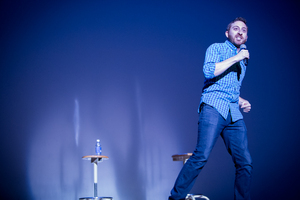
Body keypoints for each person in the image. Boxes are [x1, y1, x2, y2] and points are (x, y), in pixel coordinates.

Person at [168, 17, 252, 200]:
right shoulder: (217, 48)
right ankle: (175, 198)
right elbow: (209, 72)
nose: (240, 32)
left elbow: (229, 88)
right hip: (214, 106)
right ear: (227, 33)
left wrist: (241, 101)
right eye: (235, 28)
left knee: (245, 162)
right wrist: (237, 57)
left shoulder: (244, 60)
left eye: (243, 30)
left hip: (233, 112)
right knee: (201, 156)